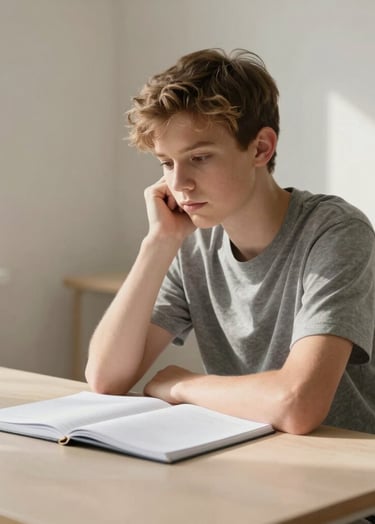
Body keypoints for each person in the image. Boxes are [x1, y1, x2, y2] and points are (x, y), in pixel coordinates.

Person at [85, 48, 375, 437]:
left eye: (199, 158)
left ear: (260, 148)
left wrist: (180, 385)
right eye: (167, 163)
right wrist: (157, 243)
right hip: (247, 455)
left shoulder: (335, 232)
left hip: (347, 472)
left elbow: (298, 404)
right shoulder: (193, 242)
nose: (178, 183)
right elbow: (106, 379)